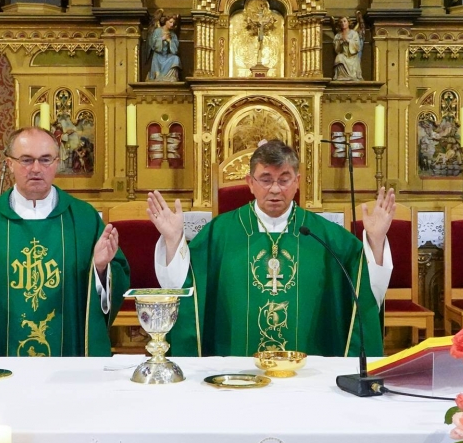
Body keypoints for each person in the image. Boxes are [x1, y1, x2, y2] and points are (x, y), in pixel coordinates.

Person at [147, 140, 394, 357]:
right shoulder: (220, 233)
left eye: (284, 179)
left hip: (307, 374)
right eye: (266, 180)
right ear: (250, 183)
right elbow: (185, 285)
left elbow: (365, 284)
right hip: (237, 371)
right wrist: (173, 240)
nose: (275, 189)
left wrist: (376, 241)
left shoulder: (324, 235)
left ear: (297, 182)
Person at [0, 127, 130, 357]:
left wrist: (100, 268)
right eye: (26, 160)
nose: (36, 168)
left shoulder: (84, 219)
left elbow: (117, 277)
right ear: (9, 164)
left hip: (69, 359)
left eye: (45, 159)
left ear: (57, 163)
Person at [145, 13, 182, 81]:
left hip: (167, 56)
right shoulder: (157, 31)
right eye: (170, 22)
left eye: (173, 23)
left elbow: (175, 50)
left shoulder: (173, 34)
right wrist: (162, 39)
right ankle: (159, 77)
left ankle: (170, 77)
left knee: (176, 58)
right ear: (165, 21)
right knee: (156, 58)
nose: (172, 24)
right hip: (158, 56)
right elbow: (153, 45)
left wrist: (170, 41)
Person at [332, 15, 363, 81]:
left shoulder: (354, 33)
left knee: (353, 62)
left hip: (352, 56)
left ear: (348, 22)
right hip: (343, 54)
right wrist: (340, 43)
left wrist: (348, 41)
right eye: (341, 22)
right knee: (339, 57)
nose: (343, 23)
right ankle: (341, 76)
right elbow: (337, 50)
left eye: (344, 21)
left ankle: (352, 76)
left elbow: (357, 46)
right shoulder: (338, 35)